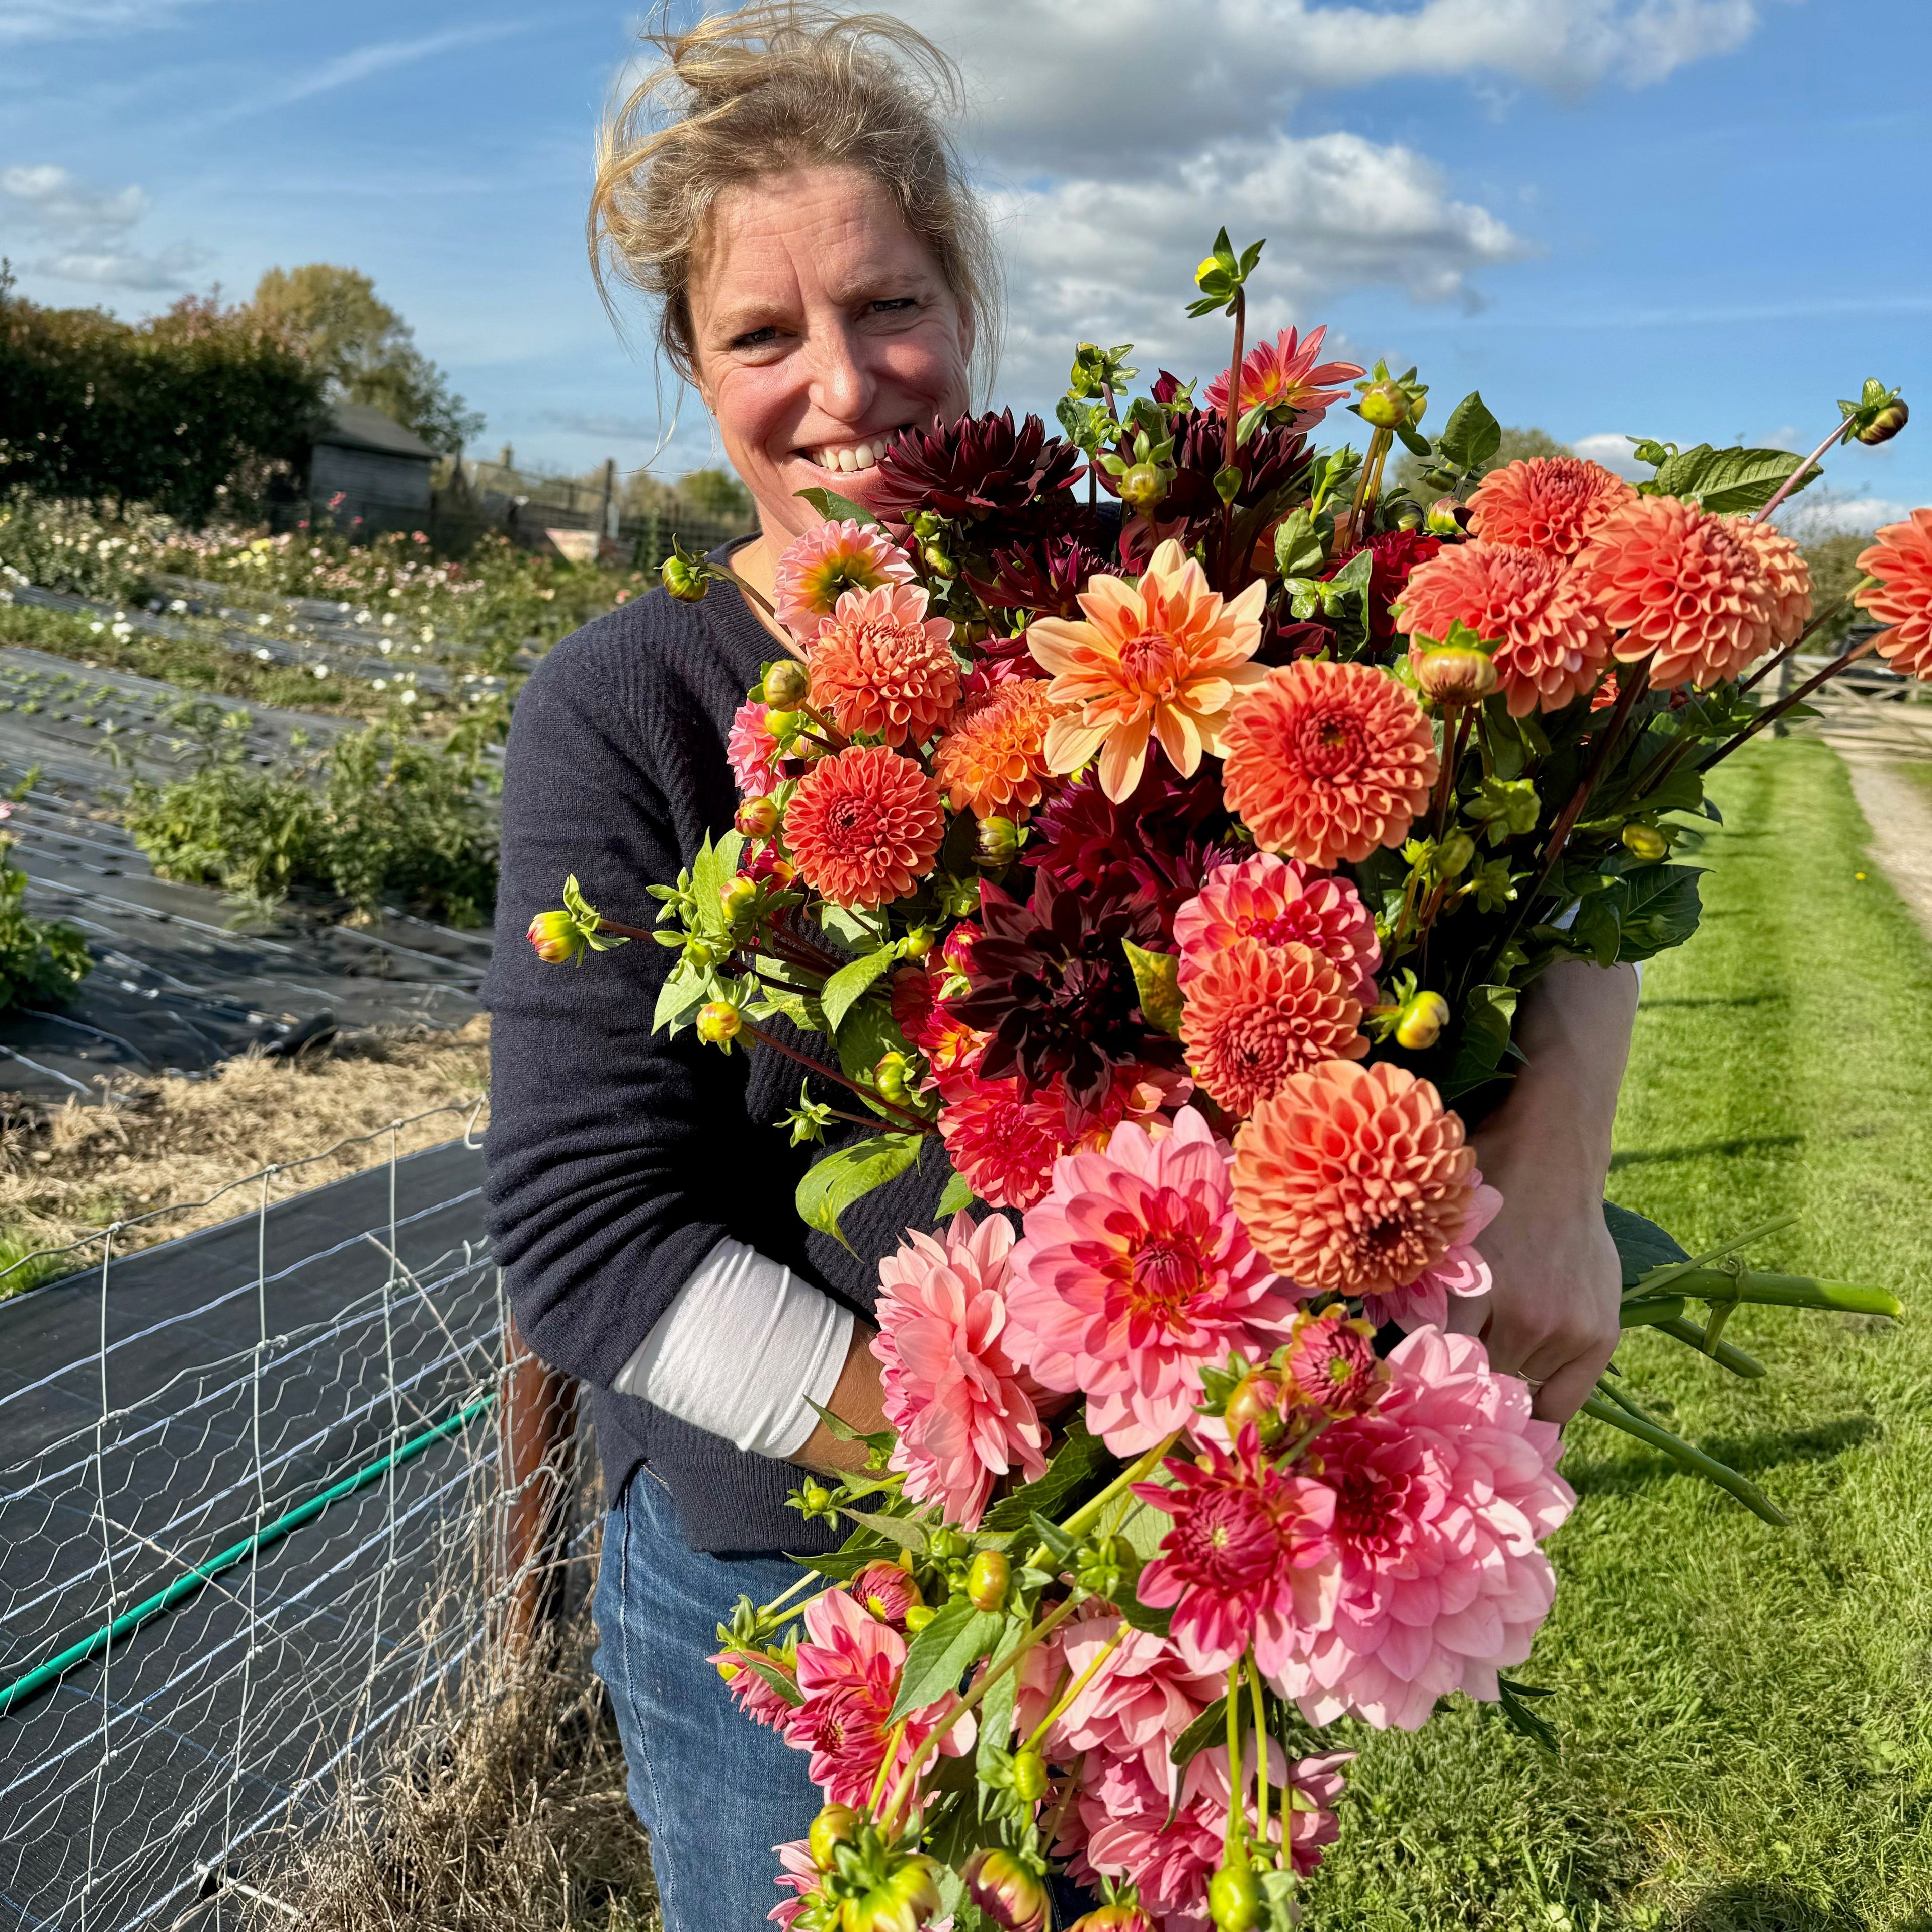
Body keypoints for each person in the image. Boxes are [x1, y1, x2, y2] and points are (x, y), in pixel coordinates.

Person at [482, 9, 1637, 1928]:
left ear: (968, 301)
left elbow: (1572, 798)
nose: (842, 388)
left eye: (889, 307)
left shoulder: (1160, 600)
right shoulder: (631, 704)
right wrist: (1018, 1510)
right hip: (805, 1574)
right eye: (761, 337)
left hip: (1195, 1534)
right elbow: (589, 1227)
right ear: (693, 368)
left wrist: (1561, 1165)